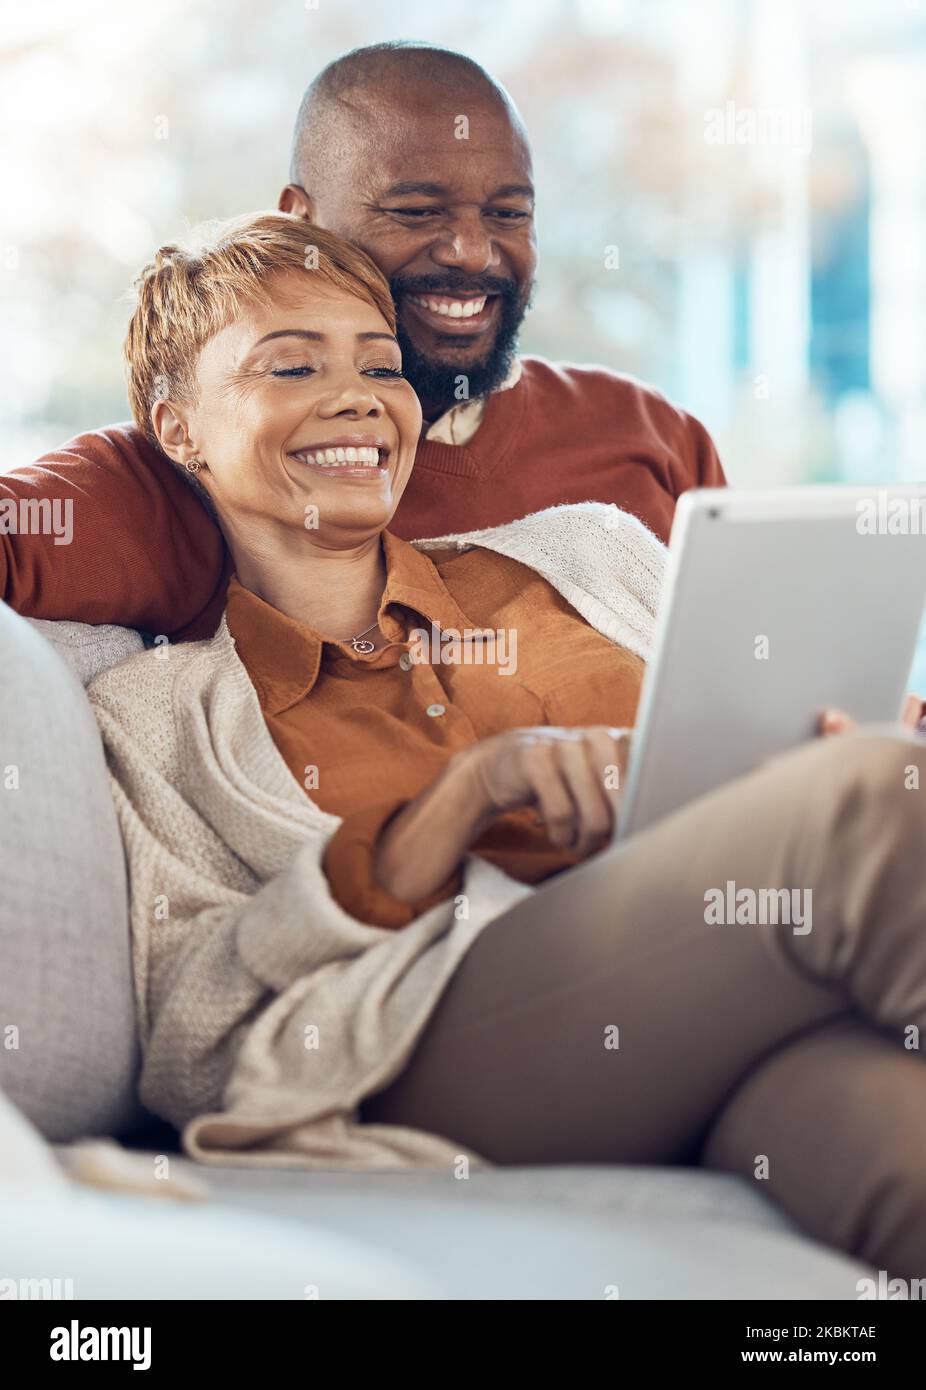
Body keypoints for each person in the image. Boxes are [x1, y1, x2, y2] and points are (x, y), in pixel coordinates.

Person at [88, 210, 926, 1282]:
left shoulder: (580, 551)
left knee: (896, 1141)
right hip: (449, 1038)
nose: (355, 397)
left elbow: (762, 714)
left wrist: (855, 727)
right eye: (290, 365)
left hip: (720, 1000)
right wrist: (470, 792)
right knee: (862, 804)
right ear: (177, 426)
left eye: (380, 365)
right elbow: (189, 1038)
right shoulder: (157, 714)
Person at [0, 43, 724, 640]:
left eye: (508, 212)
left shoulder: (647, 432)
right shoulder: (205, 464)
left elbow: (764, 644)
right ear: (301, 220)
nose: (473, 251)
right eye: (416, 210)